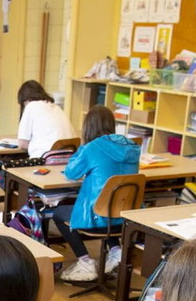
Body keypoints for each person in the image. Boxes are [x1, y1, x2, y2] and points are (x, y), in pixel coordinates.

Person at [51, 105, 141, 283]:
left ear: (88, 126)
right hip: (126, 217)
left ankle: (84, 261)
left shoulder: (92, 148)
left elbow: (71, 172)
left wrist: (82, 149)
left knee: (59, 213)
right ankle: (116, 251)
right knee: (109, 207)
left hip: (98, 218)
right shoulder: (132, 146)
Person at [16, 80, 76, 159]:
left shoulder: (31, 106)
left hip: (46, 159)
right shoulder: (57, 107)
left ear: (25, 100)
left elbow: (22, 144)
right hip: (69, 158)